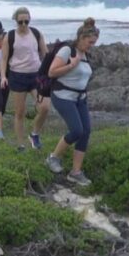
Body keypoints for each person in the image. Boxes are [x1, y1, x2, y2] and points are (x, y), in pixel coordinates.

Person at [45, 18, 100, 186]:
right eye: (90, 42)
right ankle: (53, 158)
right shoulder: (67, 51)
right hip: (63, 96)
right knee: (76, 130)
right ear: (82, 38)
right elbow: (51, 72)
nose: (92, 46)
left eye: (94, 43)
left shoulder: (86, 54)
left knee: (86, 132)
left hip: (80, 98)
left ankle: (76, 172)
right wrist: (71, 65)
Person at [0, 7, 50, 150]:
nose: (23, 25)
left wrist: (50, 72)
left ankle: (34, 134)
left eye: (26, 21)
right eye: (20, 22)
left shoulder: (36, 33)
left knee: (44, 107)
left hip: (36, 75)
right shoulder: (10, 36)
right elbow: (3, 59)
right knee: (20, 113)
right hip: (17, 76)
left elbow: (46, 55)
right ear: (15, 21)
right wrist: (3, 77)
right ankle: (21, 144)